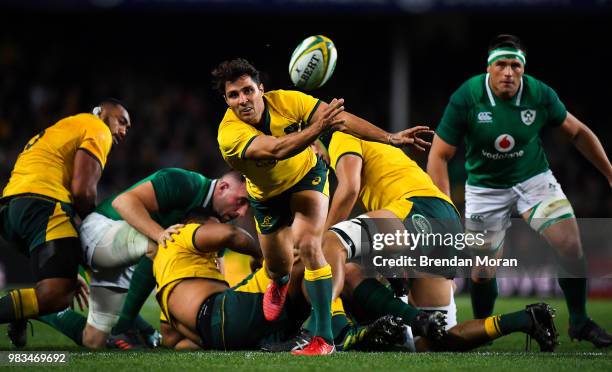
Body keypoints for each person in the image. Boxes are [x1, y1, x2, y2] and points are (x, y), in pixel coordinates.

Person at [213, 58, 430, 355]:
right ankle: (280, 281)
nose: (243, 100)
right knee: (277, 266)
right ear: (226, 101)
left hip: (306, 178)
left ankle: (323, 339)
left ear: (261, 89)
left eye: (248, 91)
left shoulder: (288, 101)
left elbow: (340, 118)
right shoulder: (229, 133)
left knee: (308, 246)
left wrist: (389, 137)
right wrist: (318, 129)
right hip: (265, 197)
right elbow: (276, 149)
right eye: (234, 95)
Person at [426, 34, 612, 347]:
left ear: (523, 69)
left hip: (533, 180)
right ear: (489, 68)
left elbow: (578, 132)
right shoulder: (468, 96)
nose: (509, 72)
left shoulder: (539, 94)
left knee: (569, 242)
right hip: (485, 189)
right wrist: (444, 207)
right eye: (502, 64)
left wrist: (609, 172)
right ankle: (481, 330)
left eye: (515, 65)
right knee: (483, 271)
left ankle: (579, 321)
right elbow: (438, 155)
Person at [36, 168, 249, 349]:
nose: (243, 212)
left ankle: (39, 310)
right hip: (101, 231)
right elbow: (123, 202)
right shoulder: (184, 182)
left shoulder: (216, 223)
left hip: (128, 254)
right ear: (222, 187)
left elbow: (214, 272)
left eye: (248, 206)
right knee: (163, 247)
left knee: (94, 341)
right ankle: (125, 326)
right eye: (241, 201)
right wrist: (159, 234)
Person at [155, 215, 405, 352]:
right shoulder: (181, 234)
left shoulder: (166, 279)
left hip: (218, 336)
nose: (236, 215)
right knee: (310, 260)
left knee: (314, 274)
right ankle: (341, 330)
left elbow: (175, 342)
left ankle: (335, 330)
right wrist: (266, 257)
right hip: (224, 311)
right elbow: (230, 235)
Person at [0, 99, 130, 347]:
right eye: (121, 121)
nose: (124, 130)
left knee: (59, 284)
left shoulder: (66, 126)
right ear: (102, 113)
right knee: (56, 296)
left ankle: (18, 310)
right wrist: (97, 233)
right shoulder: (96, 127)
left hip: (12, 209)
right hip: (44, 204)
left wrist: (68, 266)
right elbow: (83, 192)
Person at [319, 129, 461, 330]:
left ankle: (321, 326)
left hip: (417, 209)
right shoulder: (380, 152)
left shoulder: (342, 137)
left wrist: (323, 237)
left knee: (332, 241)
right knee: (435, 340)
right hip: (445, 217)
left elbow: (349, 187)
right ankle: (515, 321)